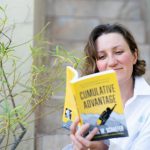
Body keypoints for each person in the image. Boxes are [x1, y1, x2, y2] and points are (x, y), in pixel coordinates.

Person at [62, 23, 150, 150]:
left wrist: (105, 149)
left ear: (134, 56)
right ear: (96, 64)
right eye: (102, 56)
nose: (112, 62)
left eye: (118, 52)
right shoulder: (87, 104)